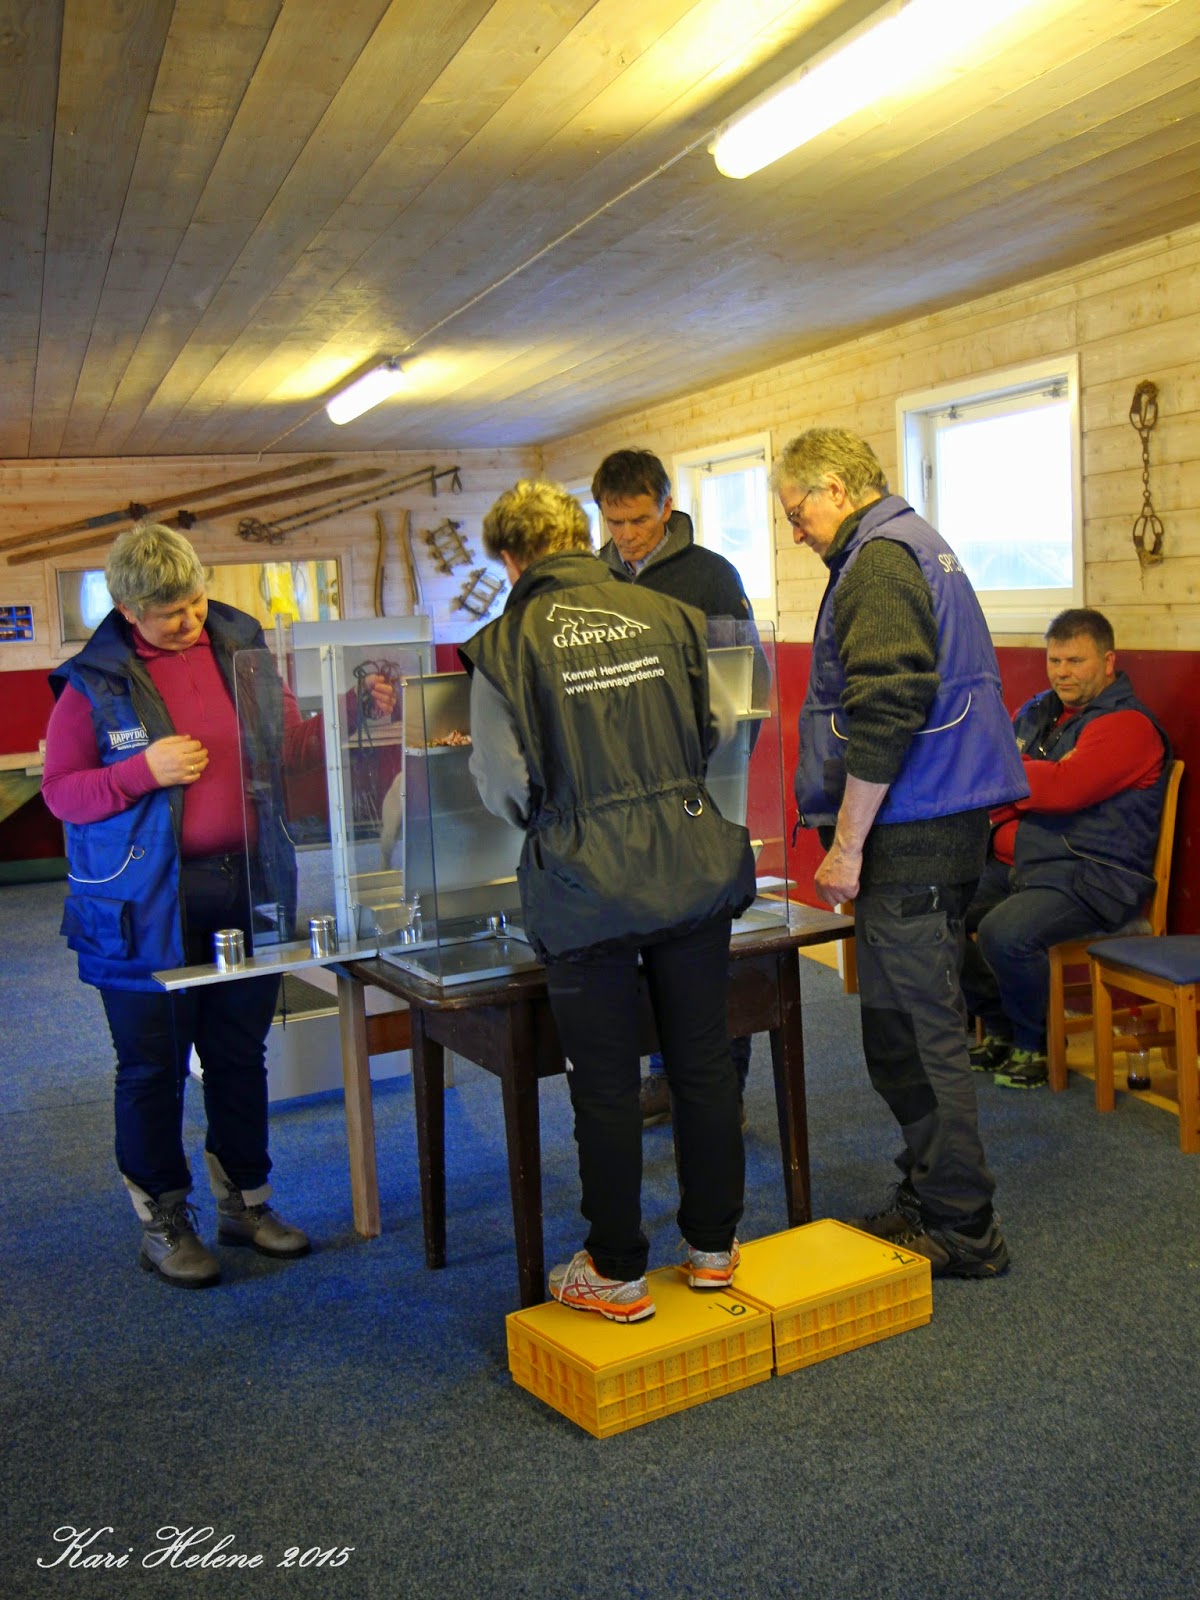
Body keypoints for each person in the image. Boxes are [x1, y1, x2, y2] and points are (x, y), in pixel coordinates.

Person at [42, 522, 393, 1289]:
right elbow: (62, 794)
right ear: (127, 610)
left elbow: (288, 748)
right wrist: (141, 771)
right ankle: (164, 1221)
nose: (188, 619)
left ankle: (246, 1202)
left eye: (195, 601)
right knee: (152, 1067)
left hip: (248, 888)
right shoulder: (92, 681)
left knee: (239, 1054)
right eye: (168, 612)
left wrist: (348, 711)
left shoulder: (241, 648)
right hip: (143, 906)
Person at [460, 480, 756, 1322]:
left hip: (582, 880)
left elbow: (504, 783)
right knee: (701, 1059)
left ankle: (617, 1270)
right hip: (689, 862)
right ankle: (714, 1249)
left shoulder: (504, 644)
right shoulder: (670, 615)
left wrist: (560, 815)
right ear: (579, 535)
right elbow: (716, 729)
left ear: (511, 558)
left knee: (605, 1080)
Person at [776, 428, 1027, 1279]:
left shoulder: (881, 562)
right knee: (895, 1034)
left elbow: (887, 708)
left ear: (837, 488)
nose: (795, 531)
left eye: (798, 511)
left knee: (920, 1034)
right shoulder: (910, 546)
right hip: (931, 827)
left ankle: (964, 1226)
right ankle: (931, 1194)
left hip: (912, 835)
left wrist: (846, 846)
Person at [592, 447, 763, 1127]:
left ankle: (723, 1091)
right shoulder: (593, 576)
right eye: (614, 523)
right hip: (621, 792)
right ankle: (663, 1078)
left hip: (699, 784)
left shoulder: (711, 577)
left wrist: (718, 773)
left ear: (667, 505)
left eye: (639, 520)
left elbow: (745, 687)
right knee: (640, 942)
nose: (627, 536)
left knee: (705, 947)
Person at [961, 608, 1169, 1090]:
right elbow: (991, 780)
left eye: (1076, 661)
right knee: (936, 911)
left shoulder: (1128, 725)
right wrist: (1035, 778)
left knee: (1002, 932)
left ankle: (1034, 1045)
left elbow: (1063, 790)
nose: (1062, 672)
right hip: (1026, 867)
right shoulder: (1039, 711)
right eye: (1055, 661)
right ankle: (1001, 1027)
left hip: (1092, 877)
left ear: (1108, 661)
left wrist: (1028, 776)